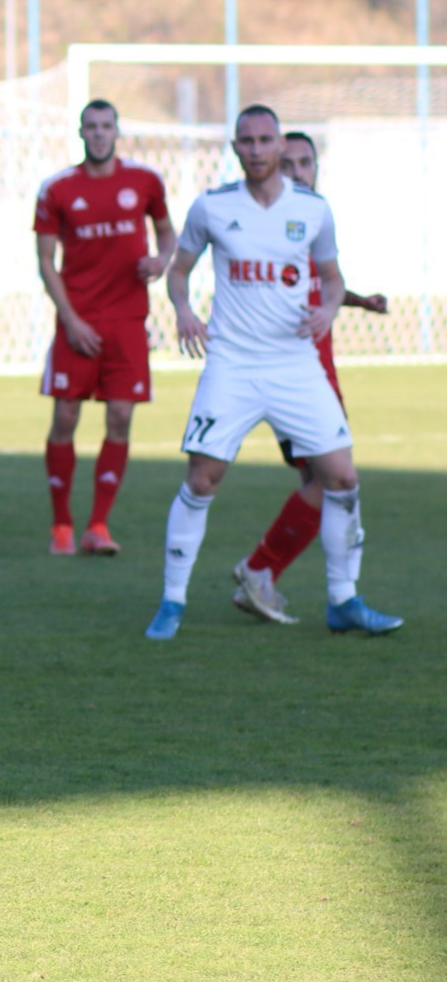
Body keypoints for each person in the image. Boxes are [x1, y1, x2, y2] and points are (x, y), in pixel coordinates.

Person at [145, 105, 402, 640]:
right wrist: (184, 311)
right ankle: (171, 601)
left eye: (266, 140)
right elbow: (179, 271)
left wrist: (329, 308)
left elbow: (332, 277)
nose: (257, 149)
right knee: (201, 479)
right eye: (248, 141)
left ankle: (343, 600)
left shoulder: (313, 210)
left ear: (280, 145)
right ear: (235, 148)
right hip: (232, 365)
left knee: (342, 478)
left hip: (295, 365)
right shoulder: (212, 206)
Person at [229, 130, 390, 624]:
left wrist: (359, 301)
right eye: (289, 164)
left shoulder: (311, 217)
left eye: (305, 163)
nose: (298, 172)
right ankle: (265, 570)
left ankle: (271, 578)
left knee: (323, 484)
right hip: (292, 377)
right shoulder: (268, 224)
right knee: (333, 481)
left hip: (320, 373)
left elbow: (321, 282)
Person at [34, 99, 176, 556]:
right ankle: (61, 525)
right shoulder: (57, 189)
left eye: (106, 126)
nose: (98, 133)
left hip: (128, 321)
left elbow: (168, 233)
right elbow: (45, 261)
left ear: (117, 131)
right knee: (65, 417)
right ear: (81, 132)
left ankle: (98, 525)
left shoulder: (145, 181)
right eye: (91, 126)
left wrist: (161, 260)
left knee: (120, 417)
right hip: (78, 321)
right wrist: (70, 320)